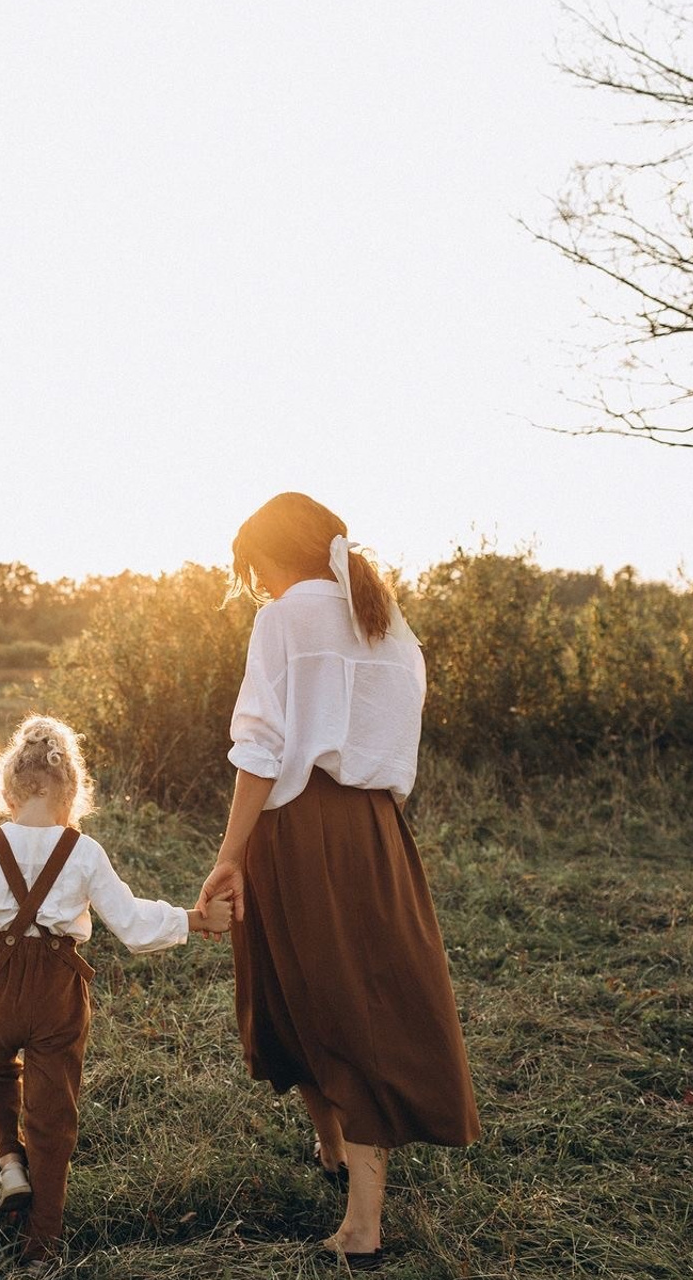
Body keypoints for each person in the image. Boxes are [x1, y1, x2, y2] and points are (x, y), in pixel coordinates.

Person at [195, 492, 480, 1271]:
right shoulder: (385, 620)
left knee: (325, 994)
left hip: (298, 827)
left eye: (254, 571)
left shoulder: (283, 620)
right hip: (376, 829)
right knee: (335, 986)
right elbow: (399, 735)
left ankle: (362, 1224)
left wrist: (228, 855)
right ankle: (331, 1152)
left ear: (269, 557)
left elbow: (258, 747)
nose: (258, 588)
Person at [0, 714, 232, 1273]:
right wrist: (195, 918)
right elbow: (135, 926)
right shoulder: (84, 852)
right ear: (71, 791)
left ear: (11, 788)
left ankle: (8, 1161)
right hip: (57, 991)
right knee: (53, 1115)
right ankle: (42, 1244)